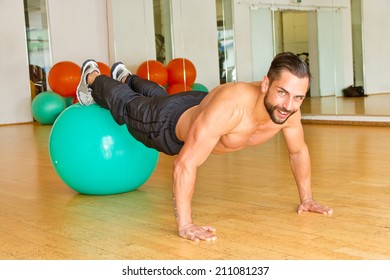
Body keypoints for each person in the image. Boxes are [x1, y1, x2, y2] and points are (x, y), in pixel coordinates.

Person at [76, 52, 333, 242]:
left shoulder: (289, 112)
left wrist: (307, 198)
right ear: (265, 84)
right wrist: (185, 223)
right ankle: (91, 76)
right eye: (282, 93)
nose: (288, 104)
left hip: (196, 106)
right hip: (168, 125)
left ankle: (127, 77)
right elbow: (185, 163)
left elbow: (298, 151)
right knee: (130, 106)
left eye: (298, 97)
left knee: (160, 97)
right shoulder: (231, 107)